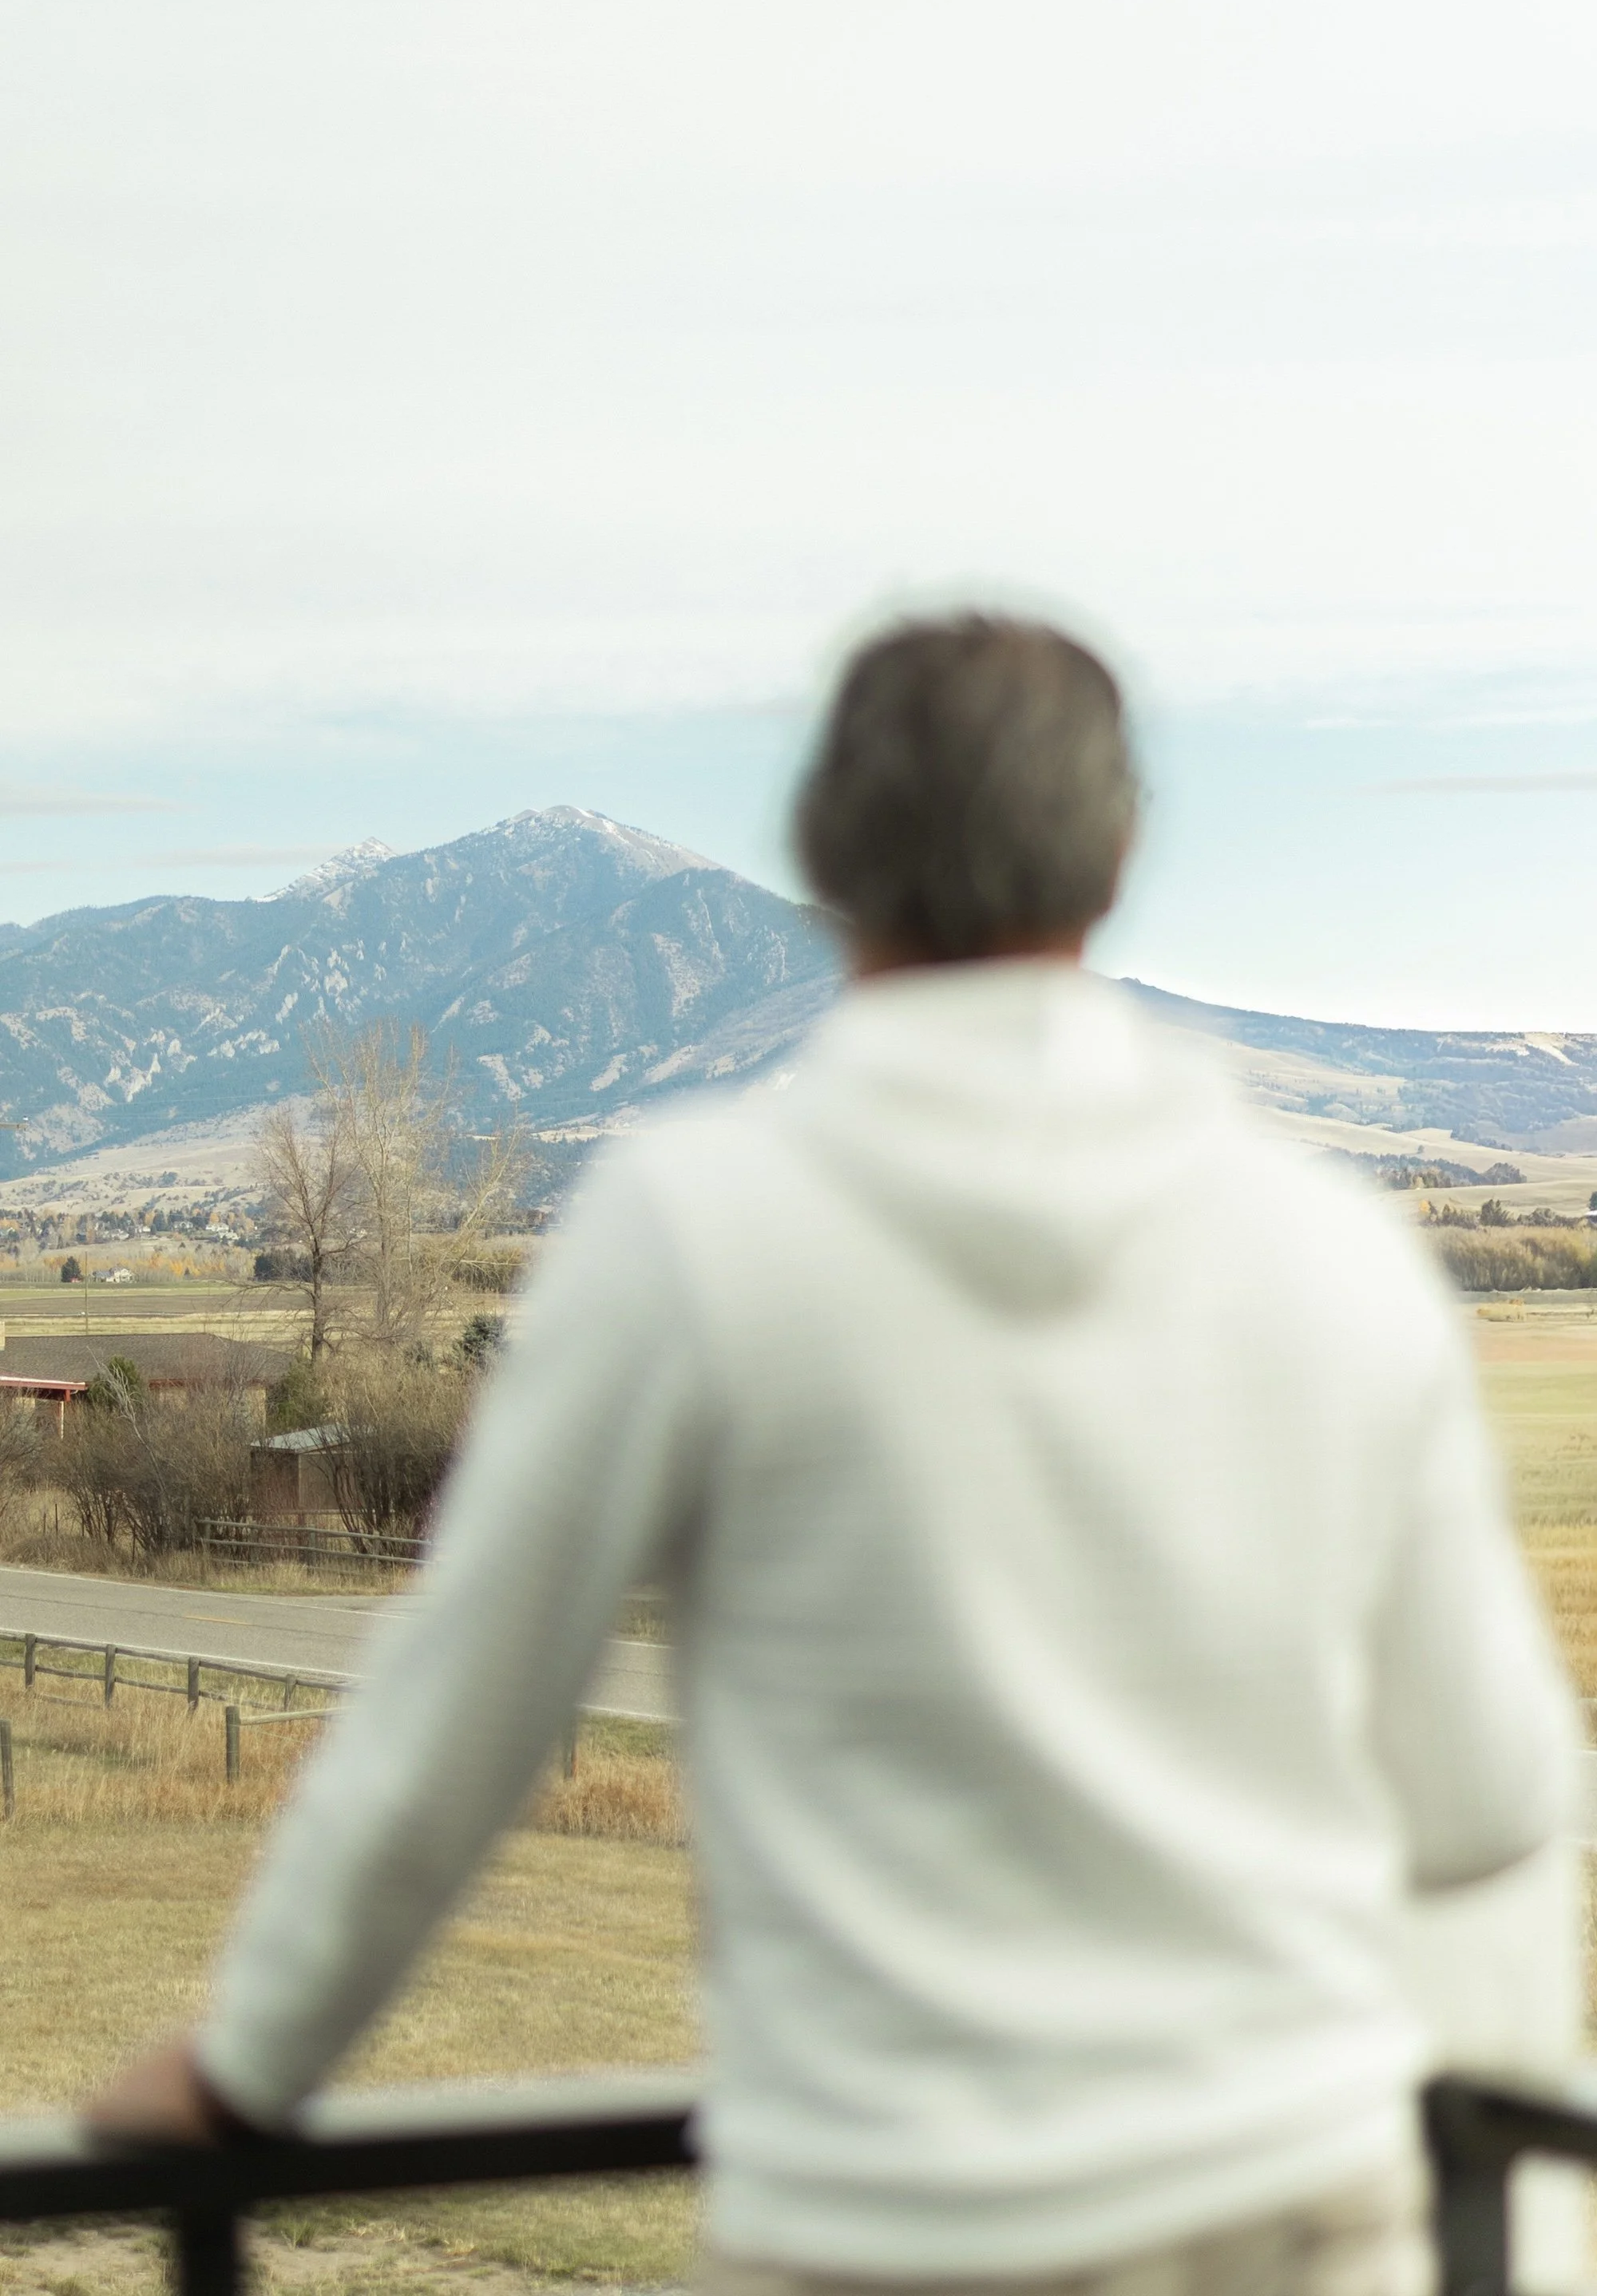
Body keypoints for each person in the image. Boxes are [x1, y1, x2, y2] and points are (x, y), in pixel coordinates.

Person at [92, 614, 1575, 2296]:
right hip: (1310, 2218)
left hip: (895, 2234)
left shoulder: (690, 1237)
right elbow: (1486, 1796)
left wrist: (244, 2067)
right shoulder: (1328, 1253)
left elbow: (451, 1733)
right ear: (1118, 853)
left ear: (818, 861)